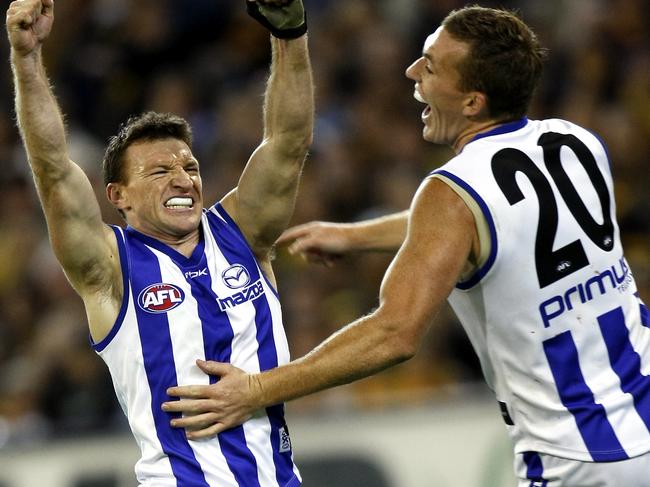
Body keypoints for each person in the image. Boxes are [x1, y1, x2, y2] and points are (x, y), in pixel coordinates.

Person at [161, 5, 650, 486]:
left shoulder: (451, 191)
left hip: (579, 452)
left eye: (431, 67)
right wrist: (356, 236)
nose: (412, 71)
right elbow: (494, 223)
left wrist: (256, 389)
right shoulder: (577, 142)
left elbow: (393, 333)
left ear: (472, 102)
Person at [7, 0, 313, 485]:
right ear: (118, 196)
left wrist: (290, 35)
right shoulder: (110, 266)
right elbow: (52, 168)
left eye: (189, 168)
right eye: (160, 171)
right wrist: (27, 59)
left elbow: (288, 141)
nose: (182, 180)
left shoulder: (242, 234)